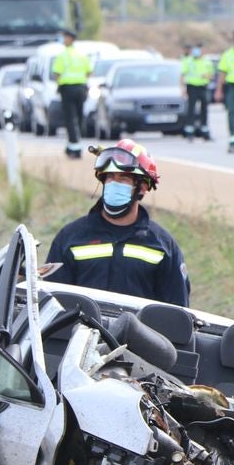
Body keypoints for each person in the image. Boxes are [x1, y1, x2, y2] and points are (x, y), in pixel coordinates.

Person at [45, 139, 190, 306]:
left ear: (142, 187)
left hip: (137, 332)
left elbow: (178, 313)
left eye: (123, 178)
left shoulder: (163, 245)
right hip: (81, 332)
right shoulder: (69, 238)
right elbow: (51, 303)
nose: (114, 184)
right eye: (110, 177)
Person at [51, 27, 91, 159]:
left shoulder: (63, 55)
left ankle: (75, 147)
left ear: (69, 39)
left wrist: (60, 83)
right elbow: (89, 72)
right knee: (78, 118)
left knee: (70, 119)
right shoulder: (81, 55)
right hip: (81, 88)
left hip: (68, 89)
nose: (63, 39)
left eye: (64, 37)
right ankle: (72, 145)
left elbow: (56, 73)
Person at [180, 43, 214, 141]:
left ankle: (205, 130)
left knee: (204, 109)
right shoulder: (188, 61)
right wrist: (183, 89)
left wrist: (207, 77)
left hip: (203, 87)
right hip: (192, 87)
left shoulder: (207, 62)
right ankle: (190, 132)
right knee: (191, 109)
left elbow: (211, 75)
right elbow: (182, 75)